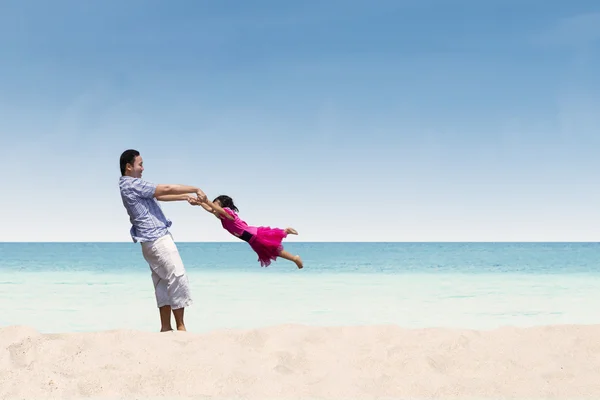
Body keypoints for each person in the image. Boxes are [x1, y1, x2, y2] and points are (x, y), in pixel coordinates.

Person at [118, 149, 232, 332]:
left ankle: (165, 328)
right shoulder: (132, 184)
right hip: (157, 238)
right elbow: (165, 189)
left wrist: (185, 197)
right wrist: (195, 188)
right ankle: (181, 327)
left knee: (162, 281)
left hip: (148, 242)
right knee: (177, 276)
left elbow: (160, 195)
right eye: (140, 164)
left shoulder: (127, 186)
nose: (143, 168)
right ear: (129, 167)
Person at [189, 194, 304, 269]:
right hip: (251, 239)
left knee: (272, 249)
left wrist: (205, 200)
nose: (213, 206)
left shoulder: (227, 212)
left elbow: (216, 209)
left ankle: (293, 255)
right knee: (272, 250)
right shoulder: (221, 216)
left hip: (254, 236)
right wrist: (199, 203)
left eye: (216, 203)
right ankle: (292, 253)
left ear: (223, 205)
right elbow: (211, 210)